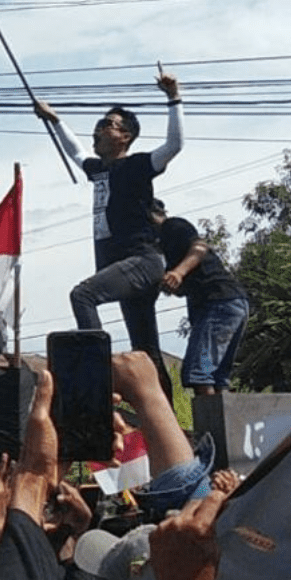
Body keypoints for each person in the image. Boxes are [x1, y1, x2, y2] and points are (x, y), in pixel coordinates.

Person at [34, 71, 184, 400]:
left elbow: (174, 145)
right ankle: (167, 417)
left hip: (142, 262)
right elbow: (75, 154)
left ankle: (95, 371)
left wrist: (173, 96)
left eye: (108, 123)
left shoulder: (139, 165)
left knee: (83, 296)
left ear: (125, 136)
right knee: (147, 350)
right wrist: (56, 121)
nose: (99, 128)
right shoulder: (99, 170)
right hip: (125, 268)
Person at [150, 199, 249, 396]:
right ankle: (226, 423)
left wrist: (178, 272)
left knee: (199, 372)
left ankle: (211, 426)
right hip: (231, 303)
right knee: (217, 376)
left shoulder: (172, 226)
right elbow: (182, 287)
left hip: (218, 304)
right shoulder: (166, 250)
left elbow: (200, 247)